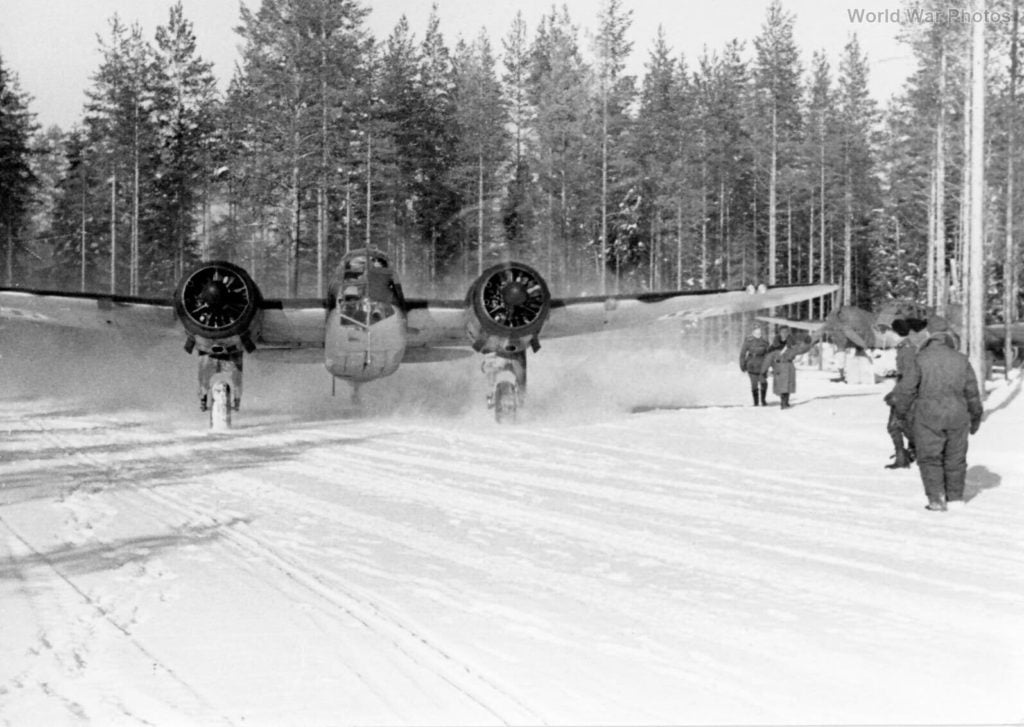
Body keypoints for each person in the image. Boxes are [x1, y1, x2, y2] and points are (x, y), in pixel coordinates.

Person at [889, 316, 983, 511]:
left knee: (930, 457)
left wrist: (901, 412)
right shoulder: (960, 359)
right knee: (955, 458)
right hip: (958, 415)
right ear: (947, 334)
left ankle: (936, 499)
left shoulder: (921, 358)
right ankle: (956, 499)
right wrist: (975, 417)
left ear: (930, 334)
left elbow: (907, 389)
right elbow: (972, 392)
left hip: (928, 415)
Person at [882, 318, 918, 468]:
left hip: (906, 393)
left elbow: (910, 375)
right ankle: (910, 453)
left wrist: (896, 394)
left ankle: (903, 457)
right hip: (907, 391)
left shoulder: (907, 350)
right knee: (906, 425)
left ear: (895, 333)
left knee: (894, 426)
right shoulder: (906, 347)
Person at [760, 325, 812, 409]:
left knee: (789, 385)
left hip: (789, 366)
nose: (784, 333)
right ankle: (783, 402)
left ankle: (786, 401)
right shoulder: (773, 346)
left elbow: (801, 350)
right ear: (779, 333)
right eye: (782, 332)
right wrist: (763, 371)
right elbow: (768, 359)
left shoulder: (792, 344)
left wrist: (807, 343)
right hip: (779, 366)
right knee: (782, 385)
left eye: (786, 332)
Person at [739, 323, 770, 406]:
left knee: (763, 382)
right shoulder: (748, 340)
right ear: (753, 332)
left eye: (759, 330)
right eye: (756, 330)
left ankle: (763, 400)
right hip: (751, 364)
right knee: (754, 383)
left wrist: (769, 364)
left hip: (762, 364)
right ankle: (756, 402)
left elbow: (768, 353)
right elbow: (743, 353)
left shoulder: (765, 341)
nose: (758, 331)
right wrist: (742, 365)